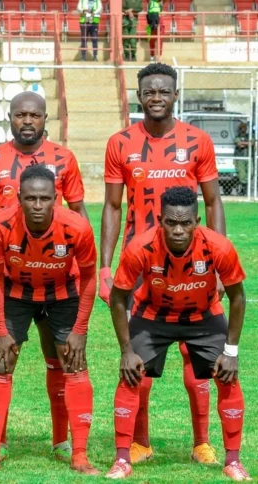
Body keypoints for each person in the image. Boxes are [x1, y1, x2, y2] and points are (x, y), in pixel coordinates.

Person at [99, 63, 226, 466]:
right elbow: (112, 207)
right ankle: (139, 441)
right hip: (140, 269)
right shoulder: (120, 143)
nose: (156, 97)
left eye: (164, 91)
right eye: (149, 91)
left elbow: (213, 202)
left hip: (194, 265)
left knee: (198, 354)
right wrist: (106, 267)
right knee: (140, 354)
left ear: (175, 95)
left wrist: (220, 262)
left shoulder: (197, 141)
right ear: (140, 96)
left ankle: (202, 442)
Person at [0, 90, 87, 463]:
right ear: (10, 118)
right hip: (9, 276)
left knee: (61, 359)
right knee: (2, 356)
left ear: (45, 119)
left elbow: (79, 214)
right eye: (21, 115)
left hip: (57, 275)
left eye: (34, 115)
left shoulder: (65, 159)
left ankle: (62, 440)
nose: (28, 121)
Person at [104, 187, 249, 481]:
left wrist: (231, 352)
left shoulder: (218, 247)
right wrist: (126, 351)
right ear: (161, 220)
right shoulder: (140, 248)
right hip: (153, 315)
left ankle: (232, 461)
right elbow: (119, 298)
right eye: (171, 223)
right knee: (131, 375)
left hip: (204, 315)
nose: (179, 230)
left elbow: (238, 298)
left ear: (197, 221)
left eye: (186, 223)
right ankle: (122, 458)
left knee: (228, 376)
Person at [0, 164, 98, 475]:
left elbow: (90, 278)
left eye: (44, 199)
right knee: (1, 363)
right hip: (15, 293)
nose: (38, 206)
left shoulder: (77, 227)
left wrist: (80, 330)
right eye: (30, 199)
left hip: (62, 294)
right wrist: (0, 329)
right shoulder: (0, 224)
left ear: (56, 198)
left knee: (73, 363)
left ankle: (76, 453)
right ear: (18, 198)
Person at [234, 121, 252, 195]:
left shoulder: (249, 136)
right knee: (242, 174)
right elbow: (239, 145)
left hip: (249, 156)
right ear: (240, 129)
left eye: (245, 128)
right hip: (241, 157)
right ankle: (244, 189)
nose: (243, 129)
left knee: (251, 173)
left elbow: (252, 143)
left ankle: (245, 186)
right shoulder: (237, 137)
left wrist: (245, 143)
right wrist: (248, 143)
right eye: (242, 128)